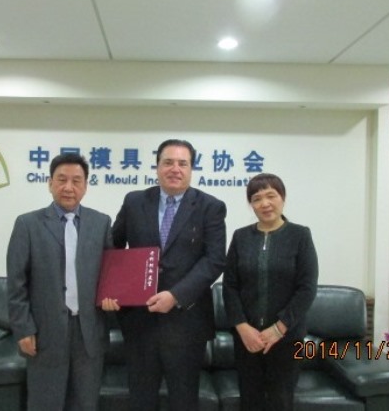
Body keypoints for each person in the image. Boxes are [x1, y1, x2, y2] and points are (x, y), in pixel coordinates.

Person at [101, 139, 227, 411]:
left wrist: (176, 295)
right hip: (139, 322)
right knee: (141, 399)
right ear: (157, 166)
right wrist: (111, 290)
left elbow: (215, 260)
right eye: (168, 162)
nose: (175, 169)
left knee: (184, 401)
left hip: (186, 323)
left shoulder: (210, 207)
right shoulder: (134, 201)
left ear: (191, 169)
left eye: (183, 163)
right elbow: (113, 248)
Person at [7, 153, 113, 411]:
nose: (69, 187)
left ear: (86, 185)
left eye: (76, 181)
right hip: (45, 332)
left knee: (85, 403)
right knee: (45, 403)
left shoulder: (101, 223)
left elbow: (110, 273)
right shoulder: (28, 224)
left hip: (89, 332)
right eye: (62, 179)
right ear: (50, 183)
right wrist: (23, 329)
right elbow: (16, 282)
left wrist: (114, 296)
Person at [223, 173, 319, 411]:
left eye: (271, 196)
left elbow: (307, 288)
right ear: (251, 204)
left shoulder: (300, 235)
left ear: (282, 198)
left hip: (287, 338)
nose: (264, 203)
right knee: (250, 400)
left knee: (281, 401)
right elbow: (230, 285)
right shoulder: (241, 237)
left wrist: (279, 328)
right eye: (256, 199)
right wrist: (242, 327)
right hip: (248, 338)